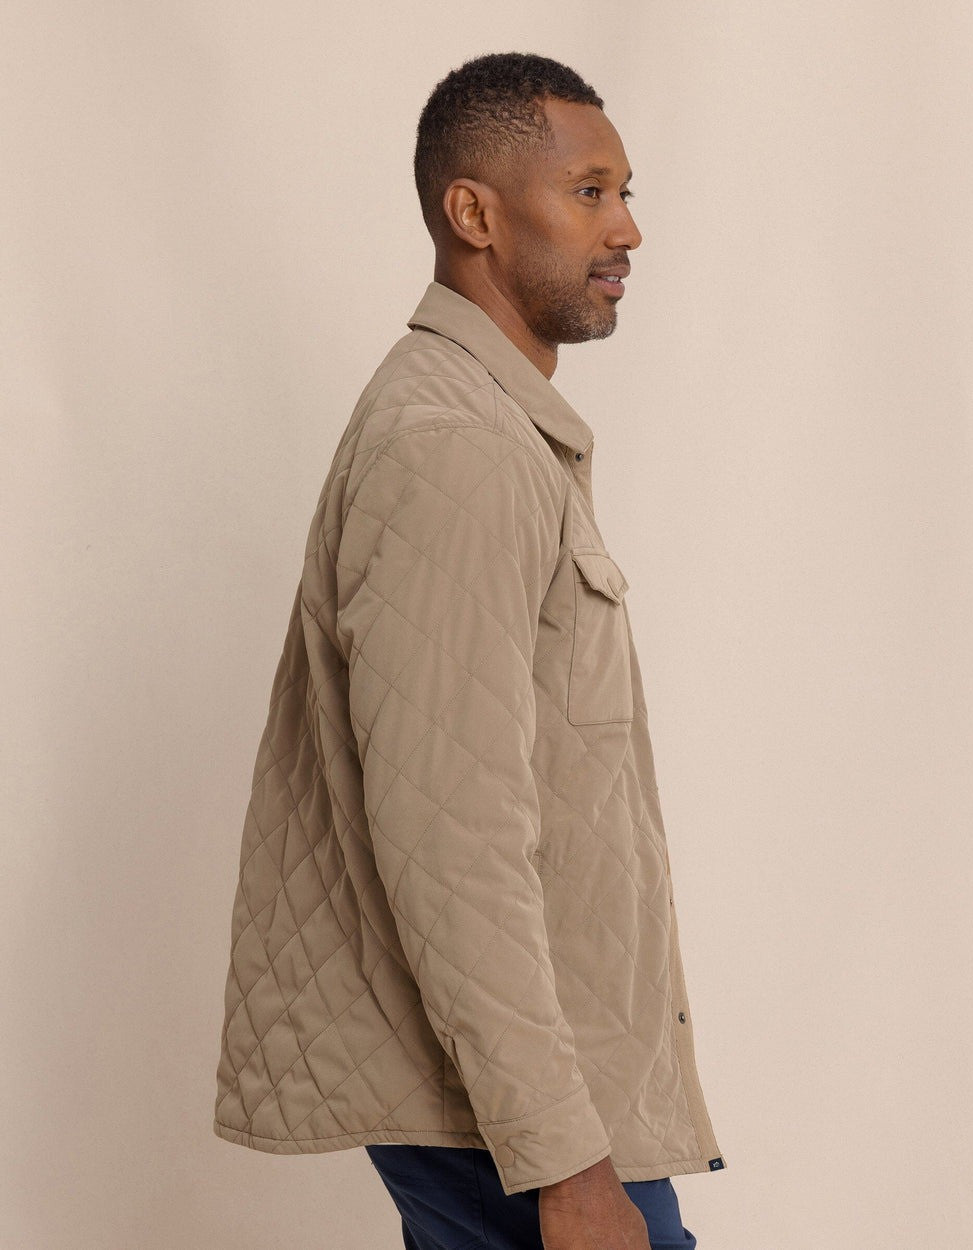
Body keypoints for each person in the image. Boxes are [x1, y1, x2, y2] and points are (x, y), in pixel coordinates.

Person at [213, 51, 725, 1250]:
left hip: (524, 1094)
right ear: (474, 214)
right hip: (513, 1115)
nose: (627, 228)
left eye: (624, 192)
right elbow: (451, 839)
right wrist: (566, 1159)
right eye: (589, 192)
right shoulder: (454, 445)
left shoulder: (489, 426)